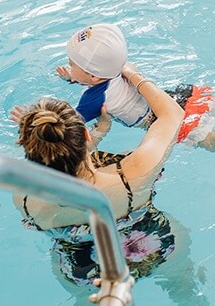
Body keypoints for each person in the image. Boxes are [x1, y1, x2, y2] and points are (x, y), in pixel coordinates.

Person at [12, 62, 183, 281]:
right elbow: (172, 115)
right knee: (181, 281)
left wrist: (96, 135)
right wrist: (132, 74)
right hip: (151, 244)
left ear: (29, 150)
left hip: (85, 269)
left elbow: (63, 167)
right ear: (85, 134)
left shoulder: (25, 197)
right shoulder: (132, 174)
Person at [58, 23, 215, 151]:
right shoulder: (119, 65)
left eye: (72, 64)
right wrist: (75, 76)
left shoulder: (93, 100)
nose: (69, 66)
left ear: (93, 75)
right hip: (175, 95)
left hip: (163, 118)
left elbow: (66, 127)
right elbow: (102, 78)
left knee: (211, 143)